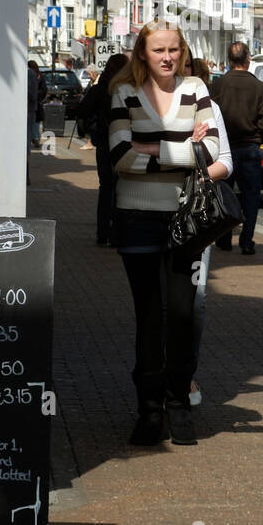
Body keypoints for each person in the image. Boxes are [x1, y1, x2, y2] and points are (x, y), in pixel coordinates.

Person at [109, 22, 219, 447]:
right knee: (149, 317)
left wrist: (150, 148)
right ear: (143, 54)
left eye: (174, 49)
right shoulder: (124, 94)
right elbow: (120, 157)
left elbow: (209, 151)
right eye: (158, 50)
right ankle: (150, 411)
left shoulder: (195, 88)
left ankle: (178, 405)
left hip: (185, 218)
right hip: (136, 216)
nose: (167, 57)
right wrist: (181, 152)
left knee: (183, 314)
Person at [183, 52, 233, 407]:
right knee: (159, 302)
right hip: (148, 213)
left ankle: (185, 375)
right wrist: (182, 150)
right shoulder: (140, 102)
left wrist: (197, 173)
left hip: (194, 217)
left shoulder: (209, 110)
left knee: (194, 302)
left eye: (183, 65)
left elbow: (225, 162)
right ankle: (156, 380)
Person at [210, 41, 263, 255]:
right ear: (248, 59)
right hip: (249, 147)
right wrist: (262, 136)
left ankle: (225, 238)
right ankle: (246, 240)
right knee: (251, 197)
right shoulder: (258, 86)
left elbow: (209, 115)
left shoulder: (219, 85)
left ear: (229, 60)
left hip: (224, 149)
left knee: (224, 194)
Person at [76, 53, 128, 244]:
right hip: (124, 143)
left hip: (104, 142)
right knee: (121, 187)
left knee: (105, 187)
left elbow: (82, 110)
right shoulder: (128, 89)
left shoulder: (99, 89)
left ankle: (102, 232)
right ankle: (116, 233)